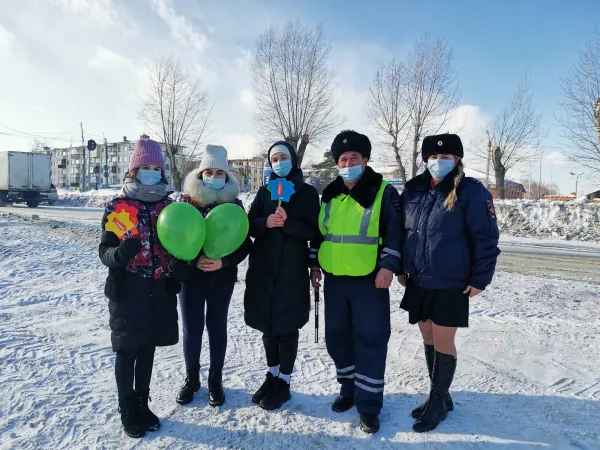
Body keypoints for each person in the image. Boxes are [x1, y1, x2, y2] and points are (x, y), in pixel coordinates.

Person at [398, 133, 500, 433]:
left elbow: (486, 237)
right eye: (433, 157)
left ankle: (437, 403)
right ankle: (440, 397)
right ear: (425, 160)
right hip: (418, 280)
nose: (439, 162)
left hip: (450, 282)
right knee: (428, 337)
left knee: (443, 340)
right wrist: (403, 268)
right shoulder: (414, 189)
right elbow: (406, 233)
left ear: (457, 160)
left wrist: (481, 278)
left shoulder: (471, 191)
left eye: (446, 158)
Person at [310, 130, 402, 434]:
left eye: (354, 158)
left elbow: (395, 233)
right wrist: (314, 265)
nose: (348, 163)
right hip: (335, 281)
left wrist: (388, 266)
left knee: (371, 340)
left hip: (369, 281)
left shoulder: (383, 191)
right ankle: (348, 389)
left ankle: (369, 405)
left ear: (365, 160)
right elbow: (320, 233)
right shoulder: (330, 193)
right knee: (337, 338)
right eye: (343, 159)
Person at [98, 138, 180, 439]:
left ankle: (143, 404)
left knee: (147, 349)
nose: (149, 172)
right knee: (127, 350)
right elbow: (105, 252)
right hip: (128, 289)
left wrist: (180, 267)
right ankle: (127, 409)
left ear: (162, 171)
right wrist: (120, 254)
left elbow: (182, 246)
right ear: (134, 170)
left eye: (155, 168)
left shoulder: (169, 207)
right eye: (143, 167)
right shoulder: (117, 206)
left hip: (159, 289)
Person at [172, 145, 251, 407]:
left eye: (220, 172)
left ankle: (215, 379)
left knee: (217, 328)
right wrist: (195, 259)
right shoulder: (185, 203)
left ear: (227, 177)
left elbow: (244, 244)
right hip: (190, 278)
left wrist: (223, 261)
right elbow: (173, 238)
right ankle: (191, 377)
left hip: (222, 278)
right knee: (192, 329)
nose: (214, 176)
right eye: (209, 171)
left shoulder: (235, 205)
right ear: (200, 173)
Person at [244, 141, 320, 411]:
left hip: (291, 270)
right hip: (263, 269)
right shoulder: (265, 192)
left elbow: (313, 232)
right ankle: (272, 374)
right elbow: (249, 225)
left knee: (286, 327)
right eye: (274, 158)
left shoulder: (308, 193)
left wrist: (287, 224)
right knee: (268, 326)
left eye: (283, 157)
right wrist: (266, 222)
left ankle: (284, 382)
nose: (279, 162)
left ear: (293, 160)